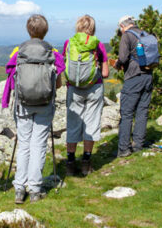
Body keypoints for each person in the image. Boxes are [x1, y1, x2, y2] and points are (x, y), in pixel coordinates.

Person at [1, 14, 65, 204]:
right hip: (45, 104)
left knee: (24, 144)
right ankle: (35, 189)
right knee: (39, 145)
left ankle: (19, 189)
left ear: (28, 31)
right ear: (46, 31)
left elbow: (11, 76)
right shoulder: (52, 52)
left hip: (23, 104)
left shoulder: (18, 50)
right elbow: (59, 82)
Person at [62, 15, 109, 176]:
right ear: (93, 28)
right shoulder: (98, 44)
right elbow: (105, 72)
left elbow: (65, 65)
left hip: (74, 89)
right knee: (91, 124)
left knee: (73, 124)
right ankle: (86, 163)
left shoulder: (69, 43)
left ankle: (69, 163)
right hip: (94, 88)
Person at [114, 15, 153, 158]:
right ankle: (138, 145)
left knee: (127, 113)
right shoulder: (145, 34)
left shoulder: (127, 36)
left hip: (133, 77)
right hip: (148, 76)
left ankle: (123, 148)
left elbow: (123, 58)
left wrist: (117, 65)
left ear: (122, 26)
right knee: (142, 111)